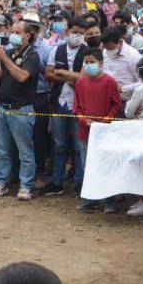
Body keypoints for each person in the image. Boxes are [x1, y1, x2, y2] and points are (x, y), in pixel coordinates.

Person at [0, 16, 45, 201]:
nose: (13, 35)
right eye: (12, 32)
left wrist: (4, 58)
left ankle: (26, 185)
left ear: (28, 35)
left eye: (17, 32)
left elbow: (22, 76)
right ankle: (1, 182)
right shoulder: (10, 52)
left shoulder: (32, 55)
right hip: (2, 107)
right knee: (2, 149)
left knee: (25, 151)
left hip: (21, 109)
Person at [73, 48, 122, 213]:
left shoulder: (109, 82)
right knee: (88, 166)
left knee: (107, 166)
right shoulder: (80, 83)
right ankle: (91, 199)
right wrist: (83, 120)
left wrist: (104, 121)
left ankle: (109, 201)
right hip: (85, 132)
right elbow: (76, 107)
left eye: (92, 61)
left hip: (105, 133)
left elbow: (116, 105)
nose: (88, 65)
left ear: (101, 63)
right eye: (86, 62)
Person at [44, 16, 89, 196]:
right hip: (59, 102)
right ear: (68, 31)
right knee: (59, 145)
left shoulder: (88, 52)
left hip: (78, 104)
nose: (77, 36)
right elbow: (48, 74)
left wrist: (61, 72)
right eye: (75, 32)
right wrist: (69, 77)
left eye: (81, 33)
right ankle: (57, 182)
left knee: (79, 147)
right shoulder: (56, 50)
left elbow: (83, 78)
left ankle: (80, 183)